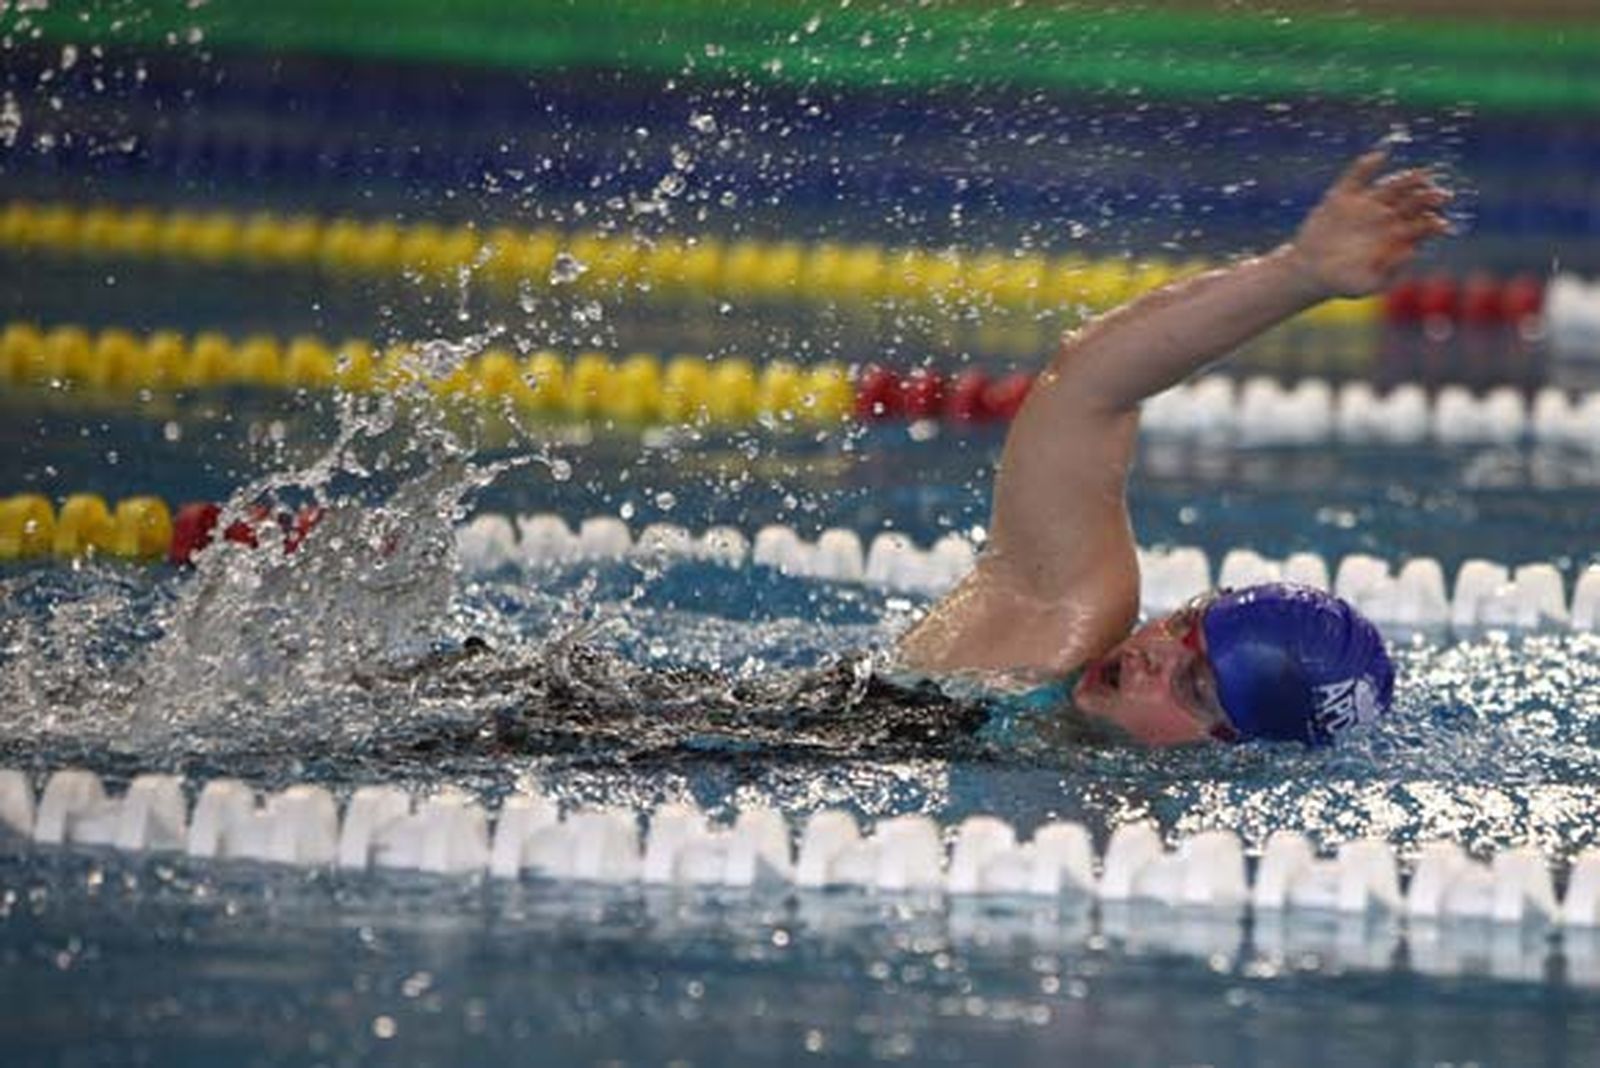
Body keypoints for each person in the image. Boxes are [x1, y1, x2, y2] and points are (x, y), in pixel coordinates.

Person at [896, 150, 1452, 747]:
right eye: (1186, 622)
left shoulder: (1138, 804)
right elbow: (1087, 388)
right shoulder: (1053, 633)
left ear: (1232, 746)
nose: (1153, 654)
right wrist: (1298, 274)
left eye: (1193, 685)